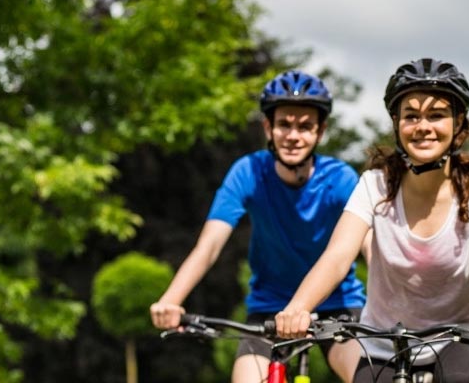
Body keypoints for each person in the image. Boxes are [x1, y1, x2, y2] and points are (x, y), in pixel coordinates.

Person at [275, 58, 469, 383]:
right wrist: (298, 307)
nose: (423, 126)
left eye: (436, 115)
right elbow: (338, 256)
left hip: (465, 335)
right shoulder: (375, 185)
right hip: (384, 342)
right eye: (411, 116)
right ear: (397, 124)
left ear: (458, 122)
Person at [150, 70, 366, 383]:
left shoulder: (340, 178)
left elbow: (369, 243)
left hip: (339, 305)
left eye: (305, 126)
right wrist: (171, 299)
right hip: (270, 307)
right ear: (268, 127)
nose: (293, 135)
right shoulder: (248, 172)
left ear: (321, 132)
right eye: (284, 124)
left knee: (371, 376)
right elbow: (209, 245)